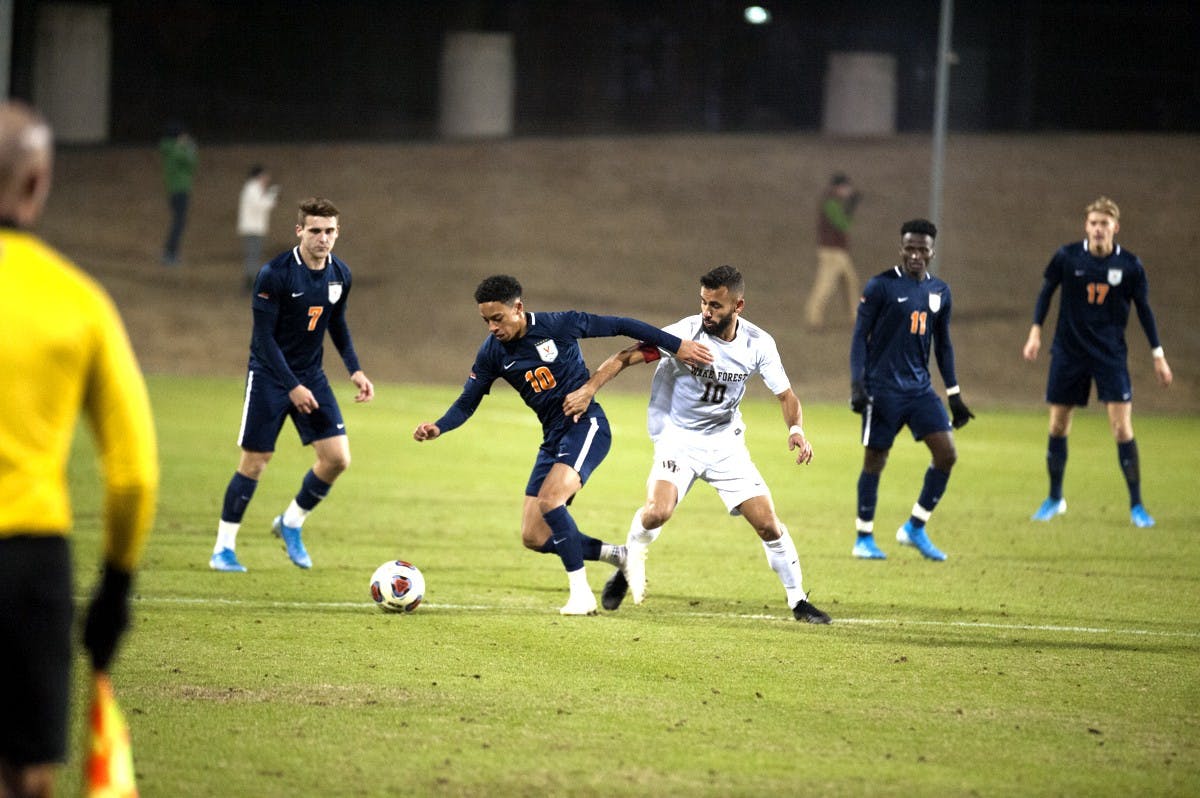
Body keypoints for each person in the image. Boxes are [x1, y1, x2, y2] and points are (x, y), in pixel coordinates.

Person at [0, 101, 158, 798]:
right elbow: (133, 476)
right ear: (37, 182)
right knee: (25, 772)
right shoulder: (78, 302)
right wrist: (115, 588)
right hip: (26, 561)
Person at [412, 274, 714, 616]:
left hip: (586, 427)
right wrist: (439, 427)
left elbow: (622, 325)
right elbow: (468, 402)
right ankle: (619, 555)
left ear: (518, 308)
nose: (493, 328)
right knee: (534, 535)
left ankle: (581, 595)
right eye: (486, 321)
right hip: (553, 439)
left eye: (498, 318)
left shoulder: (558, 325)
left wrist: (677, 345)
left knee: (550, 501)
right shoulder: (492, 353)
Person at [564, 265, 832, 624]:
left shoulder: (758, 343)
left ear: (738, 306)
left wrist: (795, 430)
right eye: (704, 302)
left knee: (768, 524)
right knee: (657, 512)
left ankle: (799, 601)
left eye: (716, 305)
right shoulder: (684, 335)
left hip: (725, 444)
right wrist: (588, 389)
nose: (707, 311)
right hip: (677, 438)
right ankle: (628, 562)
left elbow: (786, 395)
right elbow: (625, 357)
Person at [208, 197, 374, 572]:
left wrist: (355, 369)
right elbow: (264, 339)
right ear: (299, 231)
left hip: (311, 376)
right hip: (269, 376)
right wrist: (291, 386)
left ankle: (291, 522)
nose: (323, 238)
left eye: (329, 231)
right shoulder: (275, 274)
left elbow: (337, 324)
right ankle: (223, 549)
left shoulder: (340, 274)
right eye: (315, 230)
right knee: (255, 462)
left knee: (337, 459)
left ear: (338, 232)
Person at [1022, 196, 1173, 527]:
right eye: (1093, 223)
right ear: (1086, 226)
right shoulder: (1067, 257)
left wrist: (1158, 355)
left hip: (1109, 355)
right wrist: (1035, 333)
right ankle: (1055, 498)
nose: (1098, 229)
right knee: (1058, 425)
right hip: (1069, 352)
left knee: (1121, 428)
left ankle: (1137, 506)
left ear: (1115, 227)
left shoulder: (1130, 266)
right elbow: (1046, 293)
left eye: (1104, 223)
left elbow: (1145, 311)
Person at [849, 218, 974, 561]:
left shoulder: (940, 292)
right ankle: (863, 537)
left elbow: (943, 345)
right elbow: (859, 336)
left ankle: (915, 527)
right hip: (882, 390)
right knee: (875, 460)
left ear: (932, 251)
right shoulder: (881, 286)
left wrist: (954, 394)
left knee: (947, 454)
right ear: (901, 249)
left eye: (922, 249)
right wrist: (857, 384)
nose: (916, 255)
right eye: (910, 248)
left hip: (920, 391)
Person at [804, 172, 861, 329]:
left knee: (851, 282)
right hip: (832, 252)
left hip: (839, 252)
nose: (848, 191)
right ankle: (813, 318)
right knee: (825, 285)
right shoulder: (830, 203)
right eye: (845, 187)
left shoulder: (833, 202)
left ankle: (856, 317)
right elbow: (843, 224)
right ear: (838, 188)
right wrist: (850, 207)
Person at [159, 120, 198, 266]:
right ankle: (170, 253)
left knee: (178, 221)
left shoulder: (169, 149)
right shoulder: (177, 150)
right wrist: (190, 149)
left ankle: (170, 252)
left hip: (173, 190)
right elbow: (191, 164)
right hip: (180, 189)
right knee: (179, 222)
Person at [238, 164, 280, 291]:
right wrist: (272, 195)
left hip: (253, 228)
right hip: (253, 228)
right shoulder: (252, 188)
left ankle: (250, 281)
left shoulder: (253, 188)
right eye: (265, 175)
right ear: (259, 176)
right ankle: (250, 282)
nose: (267, 178)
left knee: (253, 255)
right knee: (253, 255)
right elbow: (261, 205)